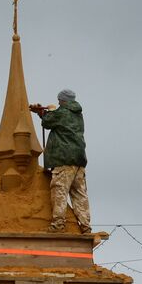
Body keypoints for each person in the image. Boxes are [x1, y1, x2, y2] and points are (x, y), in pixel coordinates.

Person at [33, 89, 91, 233]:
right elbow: (54, 121)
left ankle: (58, 225)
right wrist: (46, 112)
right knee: (79, 193)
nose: (58, 103)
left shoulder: (63, 112)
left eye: (59, 101)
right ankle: (85, 226)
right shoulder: (77, 114)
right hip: (78, 160)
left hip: (64, 159)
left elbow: (47, 122)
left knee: (59, 190)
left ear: (63, 100)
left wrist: (49, 112)